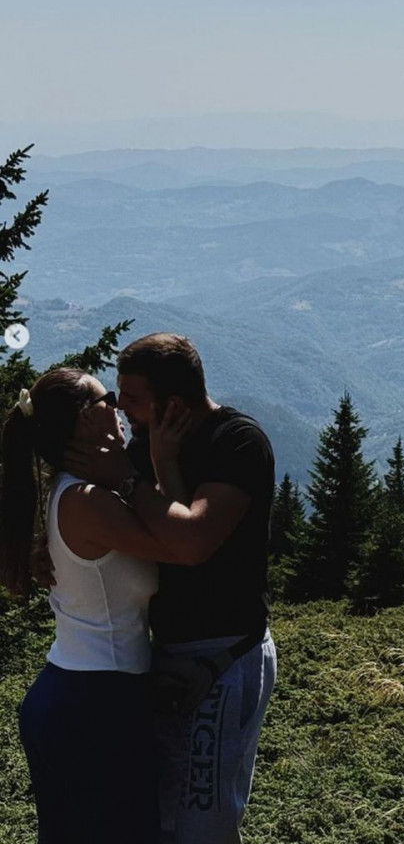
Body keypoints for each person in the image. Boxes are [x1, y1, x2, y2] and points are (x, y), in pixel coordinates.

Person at [65, 332, 277, 844]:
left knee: (203, 823)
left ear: (174, 405)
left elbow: (190, 543)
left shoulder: (237, 443)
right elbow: (149, 533)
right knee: (161, 820)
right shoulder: (147, 446)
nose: (120, 406)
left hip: (224, 653)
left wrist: (138, 477)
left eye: (132, 397)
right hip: (167, 654)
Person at [0, 367, 190, 844]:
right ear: (86, 418)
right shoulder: (87, 501)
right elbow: (181, 545)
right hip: (98, 704)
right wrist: (161, 461)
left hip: (75, 694)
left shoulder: (71, 492)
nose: (119, 406)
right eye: (107, 398)